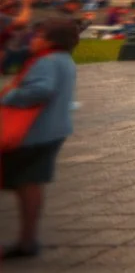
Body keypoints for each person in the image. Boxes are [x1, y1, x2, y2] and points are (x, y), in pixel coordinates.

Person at [0, 18, 79, 260]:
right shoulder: (66, 61)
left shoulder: (46, 61)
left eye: (38, 36)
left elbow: (41, 91)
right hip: (54, 130)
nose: (33, 39)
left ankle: (27, 239)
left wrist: (9, 95)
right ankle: (27, 239)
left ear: (50, 41)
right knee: (30, 183)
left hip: (33, 132)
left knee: (26, 182)